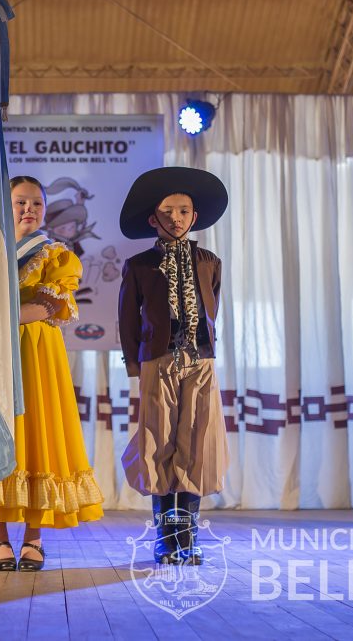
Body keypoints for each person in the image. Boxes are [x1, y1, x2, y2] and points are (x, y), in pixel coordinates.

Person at [0, 175, 104, 571]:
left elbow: (48, 306)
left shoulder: (55, 254)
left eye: (37, 205)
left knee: (35, 434)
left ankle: (33, 536)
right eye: (20, 203)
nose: (29, 210)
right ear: (4, 207)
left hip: (35, 352)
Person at [117, 167, 229, 565]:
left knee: (196, 442)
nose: (176, 218)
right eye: (168, 212)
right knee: (159, 441)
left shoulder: (210, 261)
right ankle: (166, 535)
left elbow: (213, 306)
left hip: (200, 360)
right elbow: (127, 320)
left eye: (184, 211)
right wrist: (137, 365)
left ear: (194, 217)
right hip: (158, 361)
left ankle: (189, 535)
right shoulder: (140, 265)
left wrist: (208, 350)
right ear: (154, 219)